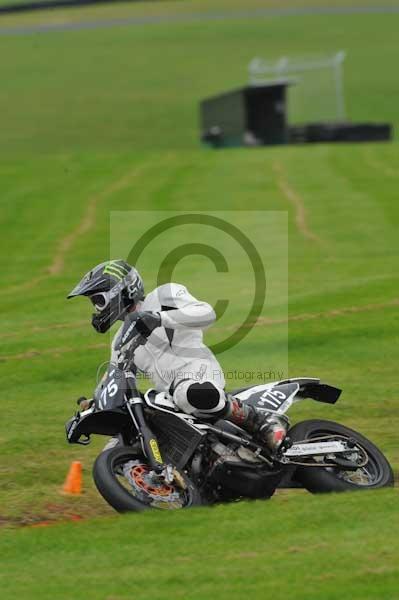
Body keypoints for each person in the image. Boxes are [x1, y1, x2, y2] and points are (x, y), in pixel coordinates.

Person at [67, 259, 287, 448]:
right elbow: (114, 378)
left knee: (187, 394)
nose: (97, 309)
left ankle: (260, 421)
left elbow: (206, 313)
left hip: (197, 374)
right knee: (118, 441)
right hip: (168, 396)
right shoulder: (119, 340)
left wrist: (160, 319)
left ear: (121, 291)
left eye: (98, 300)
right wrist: (90, 411)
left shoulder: (164, 296)